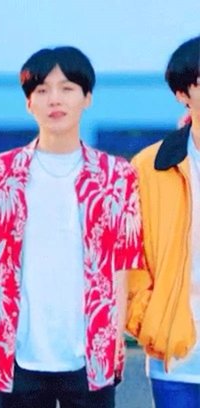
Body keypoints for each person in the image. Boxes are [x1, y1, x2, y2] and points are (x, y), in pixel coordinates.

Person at [0, 46, 144, 408]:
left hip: (91, 356)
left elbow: (121, 266)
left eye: (67, 88)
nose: (55, 99)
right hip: (20, 355)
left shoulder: (116, 176)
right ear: (29, 103)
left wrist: (114, 342)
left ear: (87, 98)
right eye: (42, 90)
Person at [127, 35, 200, 408]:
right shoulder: (150, 166)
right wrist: (148, 319)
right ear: (183, 93)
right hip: (176, 357)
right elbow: (130, 255)